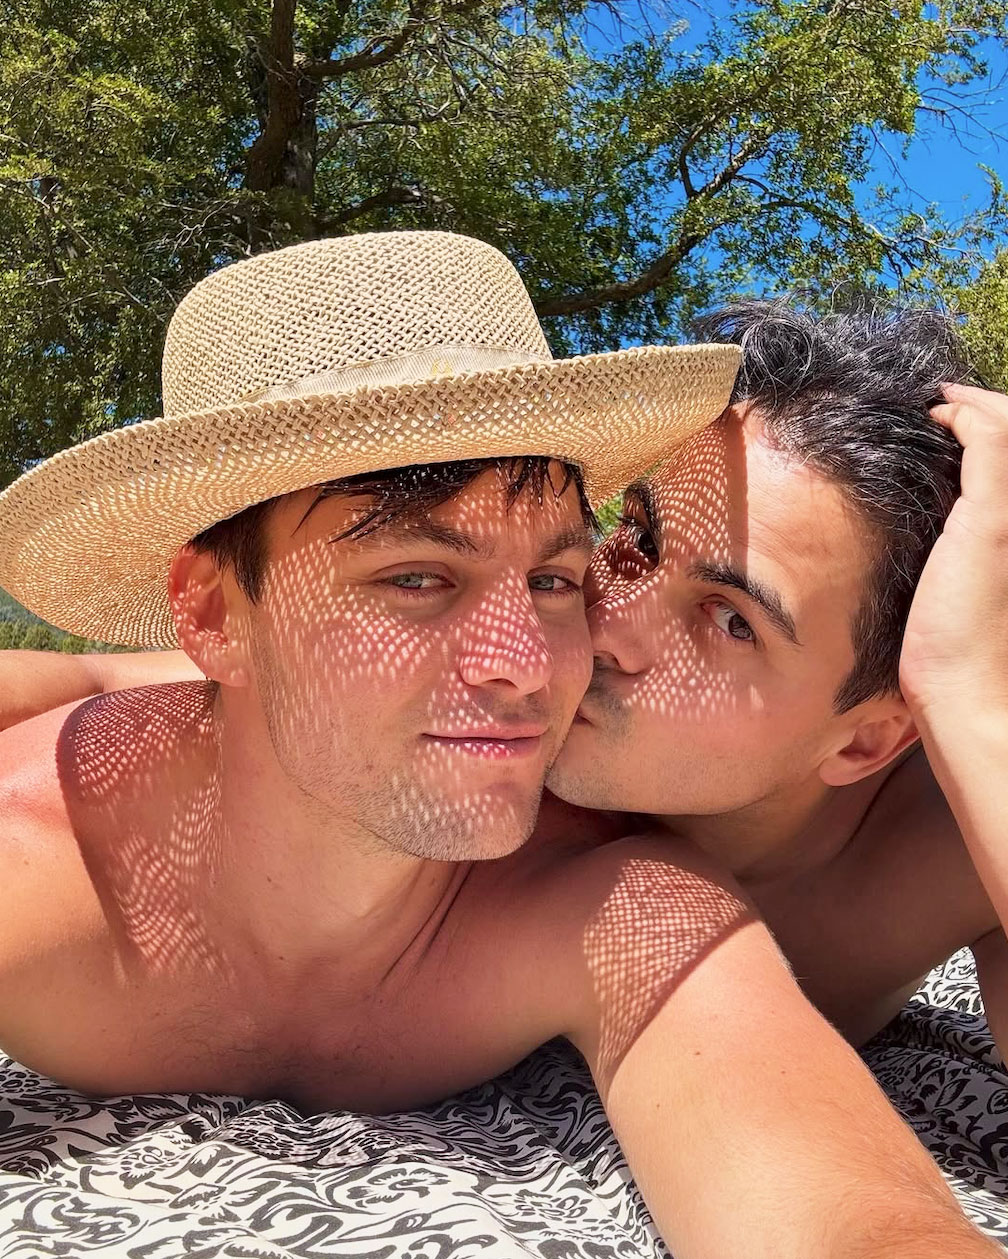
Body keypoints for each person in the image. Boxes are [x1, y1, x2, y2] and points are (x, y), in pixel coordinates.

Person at [0, 233, 994, 1257]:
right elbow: (106, 680)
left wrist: (970, 688)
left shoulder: (620, 895)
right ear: (215, 614)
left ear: (870, 737)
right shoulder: (45, 859)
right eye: (417, 578)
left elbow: (844, 1218)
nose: (543, 661)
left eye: (555, 579)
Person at [545, 301, 1008, 1056]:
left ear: (866, 741)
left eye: (732, 621)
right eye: (639, 538)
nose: (603, 627)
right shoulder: (495, 725)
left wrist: (960, 686)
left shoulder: (960, 841)